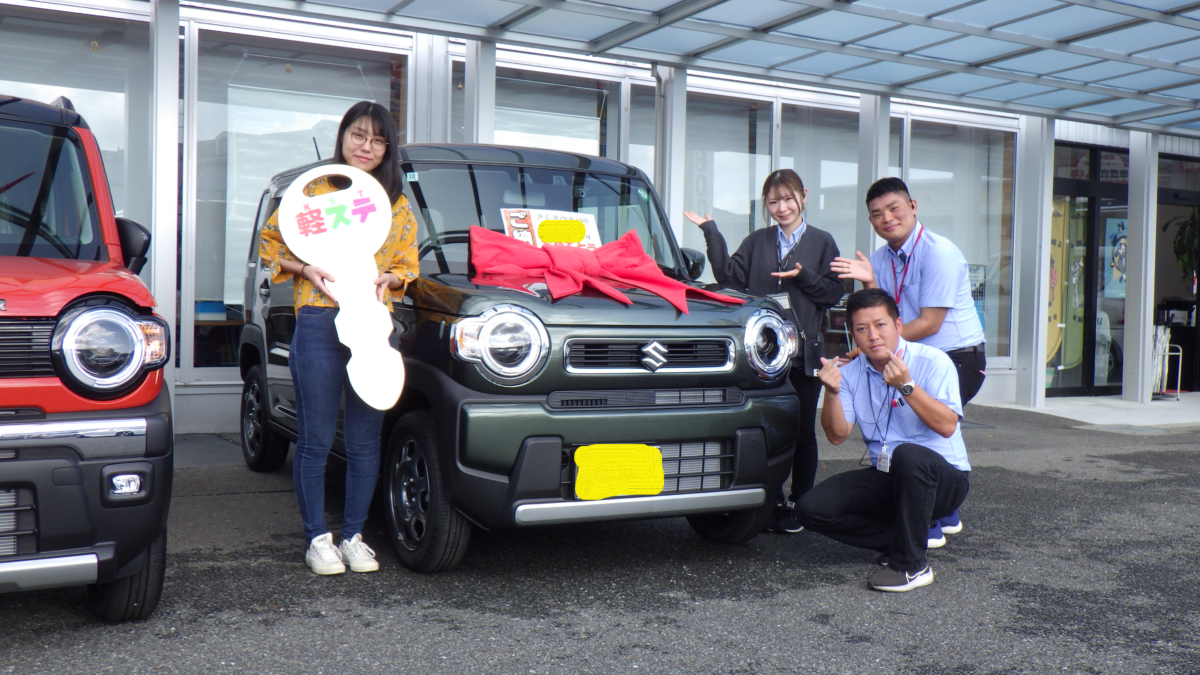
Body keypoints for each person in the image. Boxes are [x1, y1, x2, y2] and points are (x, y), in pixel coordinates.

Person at [258, 101, 418, 575]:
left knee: (366, 439)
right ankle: (316, 539)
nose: (366, 147)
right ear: (343, 136)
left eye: (378, 140)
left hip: (371, 322)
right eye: (358, 135)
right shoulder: (311, 191)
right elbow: (270, 245)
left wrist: (391, 280)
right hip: (318, 321)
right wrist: (304, 268)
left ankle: (354, 537)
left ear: (388, 148)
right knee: (316, 437)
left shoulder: (395, 203)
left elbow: (407, 264)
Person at [684, 169, 844, 533]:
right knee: (764, 430)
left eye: (788, 199)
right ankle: (769, 503)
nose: (782, 208)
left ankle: (802, 504)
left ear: (803, 196)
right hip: (761, 354)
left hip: (802, 356)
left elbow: (834, 293)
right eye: (773, 202)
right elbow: (728, 277)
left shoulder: (822, 242)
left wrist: (803, 276)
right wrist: (711, 232)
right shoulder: (757, 240)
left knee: (802, 432)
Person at [830, 177, 982, 547]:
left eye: (894, 208)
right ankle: (939, 508)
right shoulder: (880, 259)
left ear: (913, 206)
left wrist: (868, 350)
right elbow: (878, 315)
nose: (886, 218)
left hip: (955, 356)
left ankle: (926, 513)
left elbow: (929, 322)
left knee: (924, 428)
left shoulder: (939, 253)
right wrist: (869, 283)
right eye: (876, 214)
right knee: (903, 426)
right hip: (903, 354)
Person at [797, 288, 970, 592]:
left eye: (880, 325)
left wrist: (906, 386)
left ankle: (911, 566)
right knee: (811, 508)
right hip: (890, 476)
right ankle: (904, 537)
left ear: (898, 325)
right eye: (862, 329)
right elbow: (837, 435)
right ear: (853, 335)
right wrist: (832, 392)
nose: (873, 335)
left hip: (943, 480)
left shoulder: (933, 361)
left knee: (909, 455)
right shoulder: (850, 373)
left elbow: (946, 426)